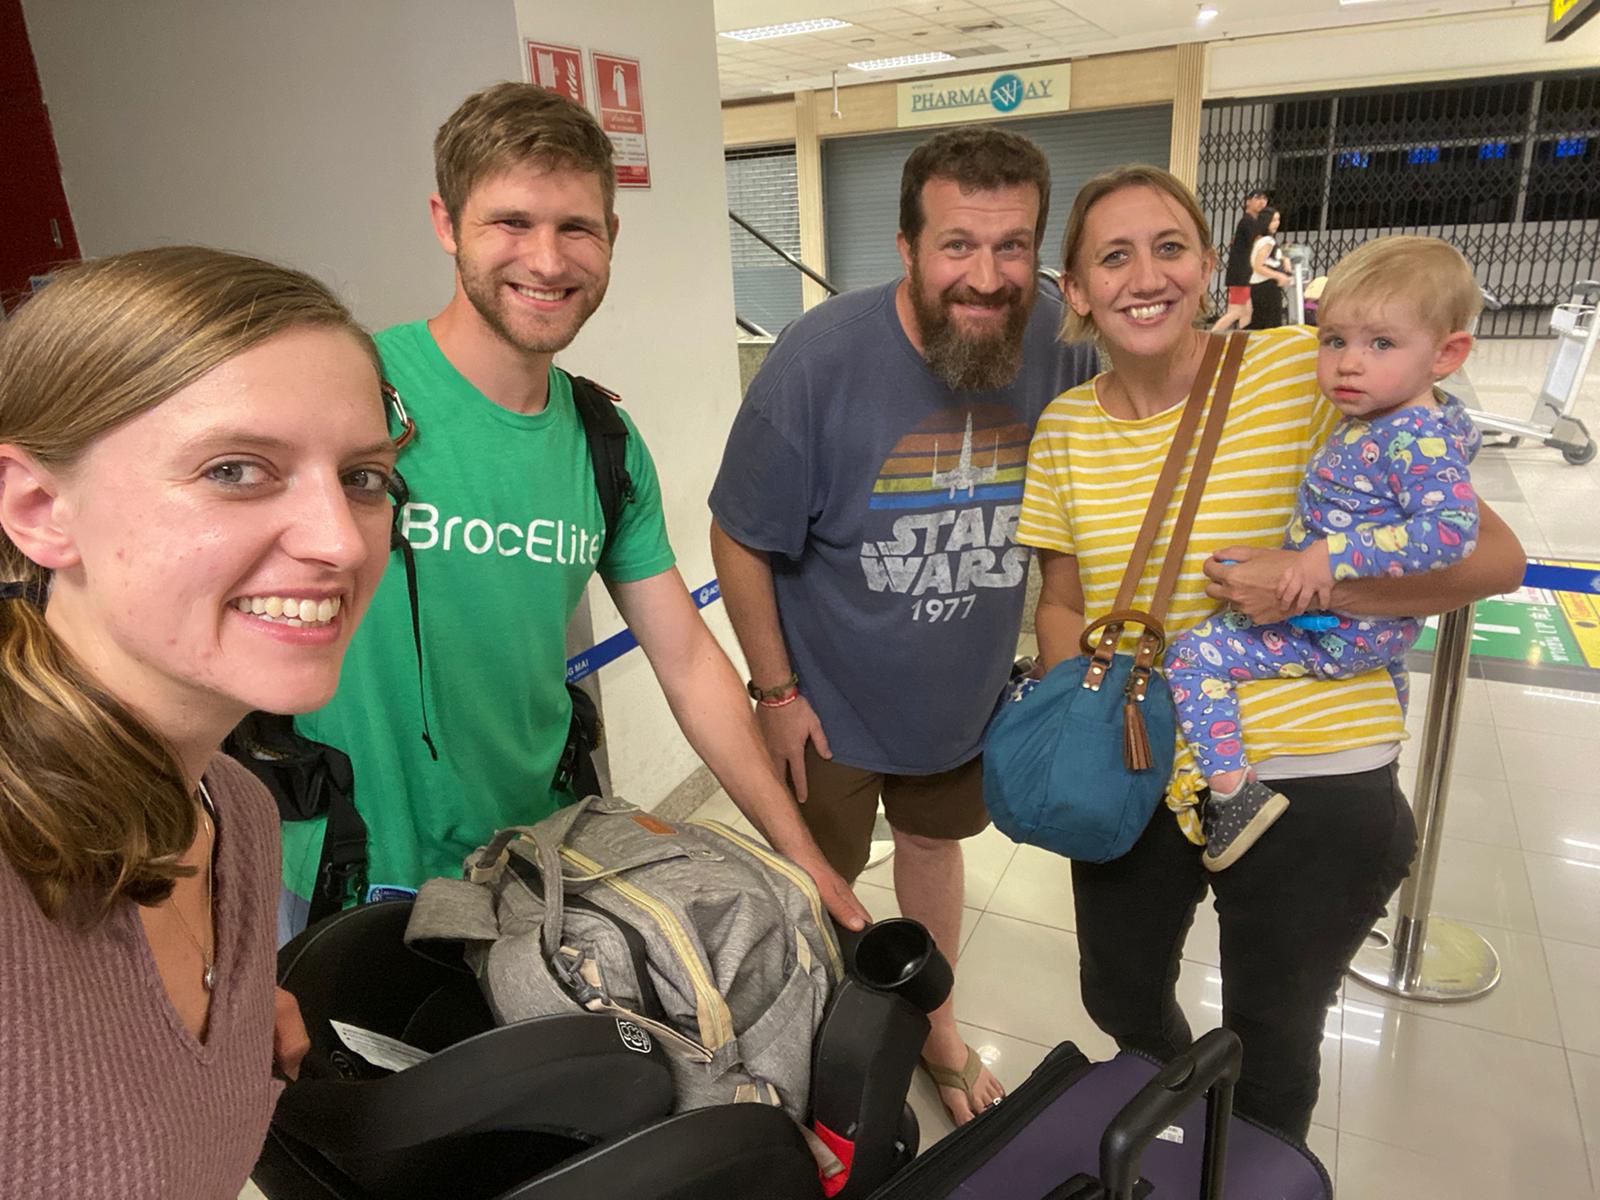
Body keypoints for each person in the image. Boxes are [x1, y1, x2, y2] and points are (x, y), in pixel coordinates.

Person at [280, 82, 869, 939]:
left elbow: (686, 661)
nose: (548, 261)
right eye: (511, 223)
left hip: (524, 870)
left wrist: (800, 854)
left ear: (611, 237)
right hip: (340, 876)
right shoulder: (349, 392)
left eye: (576, 228)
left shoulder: (604, 442)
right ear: (446, 224)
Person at [1018, 165, 1524, 1138]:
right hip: (1144, 758)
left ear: (1210, 264)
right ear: (1075, 288)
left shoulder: (1304, 368)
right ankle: (1188, 1120)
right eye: (1113, 257)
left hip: (1315, 769)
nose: (1145, 276)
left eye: (1169, 247)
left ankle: (1249, 1165)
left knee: (1273, 1040)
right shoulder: (1065, 430)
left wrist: (1306, 579)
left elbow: (1491, 558)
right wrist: (1076, 716)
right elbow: (1064, 602)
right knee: (1117, 994)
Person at [710, 125, 1098, 1126]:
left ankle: (936, 1030)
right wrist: (775, 693)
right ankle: (800, 1059)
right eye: (957, 244)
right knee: (813, 887)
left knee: (932, 847)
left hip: (961, 699)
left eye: (1012, 247)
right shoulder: (818, 360)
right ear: (907, 248)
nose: (987, 276)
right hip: (825, 704)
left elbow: (1085, 496)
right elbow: (738, 537)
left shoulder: (1058, 343)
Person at [0, 246, 397, 1197]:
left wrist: (220, 1029)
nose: (341, 541)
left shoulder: (237, 817)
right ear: (41, 507)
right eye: (235, 469)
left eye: (364, 477)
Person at [1165, 235, 1484, 871]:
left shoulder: (1413, 436)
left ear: (1447, 354)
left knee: (1193, 657)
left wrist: (1325, 559)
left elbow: (1452, 530)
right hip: (1375, 629)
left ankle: (1231, 794)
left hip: (1340, 626)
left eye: (1382, 344)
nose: (1348, 364)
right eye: (1334, 340)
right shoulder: (1397, 420)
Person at [1211, 187, 1268, 333]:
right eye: (1257, 198)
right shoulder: (1247, 221)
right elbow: (1255, 244)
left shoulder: (1254, 222)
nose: (1262, 202)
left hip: (1245, 275)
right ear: (1248, 202)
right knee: (1236, 311)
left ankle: (1243, 340)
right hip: (1240, 275)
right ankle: (1211, 336)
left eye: (1264, 199)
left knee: (1246, 312)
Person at [1247, 207, 1293, 330]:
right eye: (1273, 220)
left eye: (1278, 220)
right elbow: (1258, 265)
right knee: (1271, 324)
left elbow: (1270, 258)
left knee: (1260, 323)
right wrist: (1279, 276)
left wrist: (1285, 259)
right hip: (1266, 285)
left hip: (1259, 285)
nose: (1276, 223)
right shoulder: (1268, 241)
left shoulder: (1260, 239)